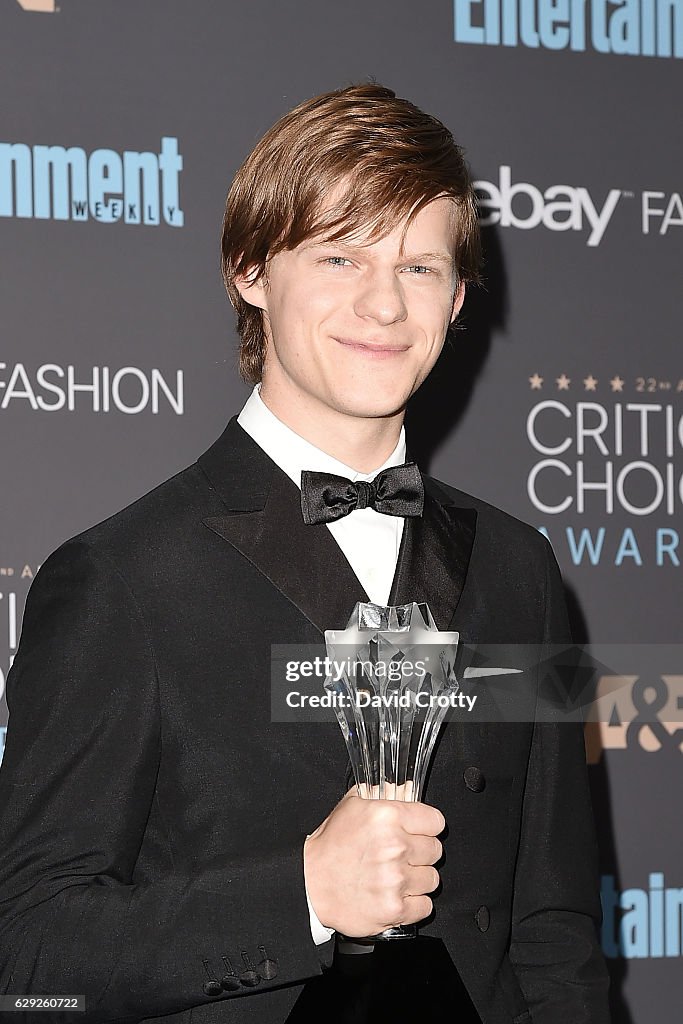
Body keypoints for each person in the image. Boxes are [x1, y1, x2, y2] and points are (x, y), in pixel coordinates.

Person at [0, 83, 609, 1023]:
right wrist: (305, 895)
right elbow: (29, 952)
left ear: (455, 297)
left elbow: (555, 926)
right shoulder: (122, 579)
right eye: (339, 254)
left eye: (417, 267)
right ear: (250, 271)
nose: (382, 304)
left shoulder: (521, 570)